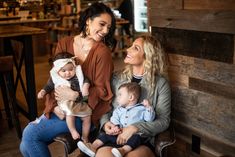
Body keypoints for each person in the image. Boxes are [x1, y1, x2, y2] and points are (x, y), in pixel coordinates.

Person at [20, 2, 116, 157]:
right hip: (62, 107)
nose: (105, 31)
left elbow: (101, 90)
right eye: (102, 24)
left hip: (85, 113)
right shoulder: (64, 43)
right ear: (88, 20)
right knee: (26, 144)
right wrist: (53, 107)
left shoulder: (102, 52)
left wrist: (76, 96)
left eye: (108, 27)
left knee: (30, 136)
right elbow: (55, 78)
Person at [95, 35, 171, 157]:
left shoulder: (160, 84)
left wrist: (135, 128)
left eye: (135, 48)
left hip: (141, 140)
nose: (128, 49)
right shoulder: (116, 78)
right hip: (113, 136)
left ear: (147, 56)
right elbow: (105, 107)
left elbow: (164, 121)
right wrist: (105, 123)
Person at [77, 82, 155, 157]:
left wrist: (148, 107)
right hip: (118, 134)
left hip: (133, 135)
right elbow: (114, 120)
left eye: (120, 95)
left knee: (137, 138)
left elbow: (149, 119)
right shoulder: (119, 110)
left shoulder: (141, 109)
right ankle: (93, 147)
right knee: (105, 136)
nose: (117, 98)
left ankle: (123, 150)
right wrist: (114, 128)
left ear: (131, 97)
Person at [37, 52, 92, 141]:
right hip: (65, 102)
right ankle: (73, 130)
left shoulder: (78, 75)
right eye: (64, 71)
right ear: (58, 71)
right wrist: (43, 91)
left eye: (71, 69)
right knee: (70, 113)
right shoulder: (56, 78)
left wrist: (86, 86)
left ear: (74, 67)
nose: (68, 73)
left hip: (79, 101)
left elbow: (86, 80)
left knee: (87, 117)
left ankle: (85, 137)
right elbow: (49, 86)